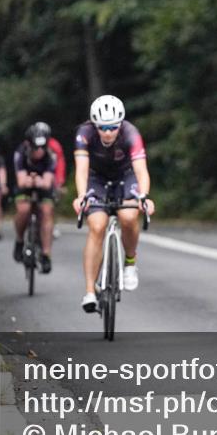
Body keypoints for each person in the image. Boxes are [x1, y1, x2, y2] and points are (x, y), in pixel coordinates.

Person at [72, 95, 155, 313]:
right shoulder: (84, 133)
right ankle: (90, 291)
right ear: (94, 124)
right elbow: (81, 169)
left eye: (112, 127)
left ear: (120, 124)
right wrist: (81, 195)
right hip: (96, 178)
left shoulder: (130, 133)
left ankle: (130, 262)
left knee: (128, 216)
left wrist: (143, 196)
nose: (108, 132)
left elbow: (141, 171)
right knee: (97, 226)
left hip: (125, 176)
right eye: (102, 127)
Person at [12, 123, 57, 273]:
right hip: (25, 186)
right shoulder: (21, 153)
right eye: (35, 148)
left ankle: (45, 254)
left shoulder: (51, 156)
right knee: (23, 209)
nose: (38, 151)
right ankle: (19, 240)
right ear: (28, 144)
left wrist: (40, 181)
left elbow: (47, 181)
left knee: (46, 211)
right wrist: (29, 180)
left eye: (42, 148)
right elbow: (21, 180)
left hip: (43, 186)